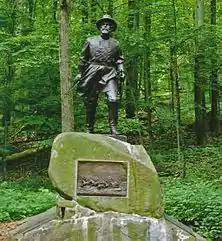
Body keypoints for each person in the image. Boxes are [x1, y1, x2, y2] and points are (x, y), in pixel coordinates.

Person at [75, 15, 125, 135]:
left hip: (110, 72)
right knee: (90, 101)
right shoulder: (90, 41)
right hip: (93, 71)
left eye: (108, 25)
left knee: (113, 99)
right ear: (99, 27)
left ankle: (113, 127)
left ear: (112, 28)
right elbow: (83, 59)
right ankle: (89, 128)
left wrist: (121, 69)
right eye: (103, 24)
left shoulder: (115, 43)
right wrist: (79, 73)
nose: (105, 26)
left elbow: (119, 59)